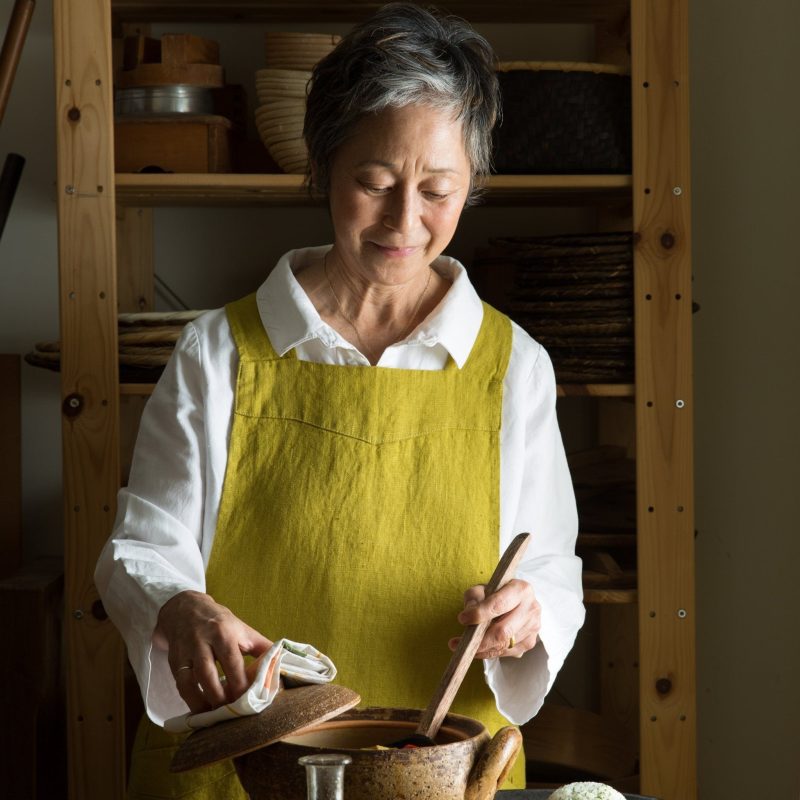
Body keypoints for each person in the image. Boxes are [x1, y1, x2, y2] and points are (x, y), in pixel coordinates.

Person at [95, 3, 585, 797]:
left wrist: (529, 613)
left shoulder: (514, 365)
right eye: (376, 182)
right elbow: (139, 549)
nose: (405, 221)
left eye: (438, 190)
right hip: (243, 769)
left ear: (473, 186)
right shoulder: (221, 352)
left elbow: (554, 569)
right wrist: (177, 602)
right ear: (324, 166)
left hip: (442, 768)